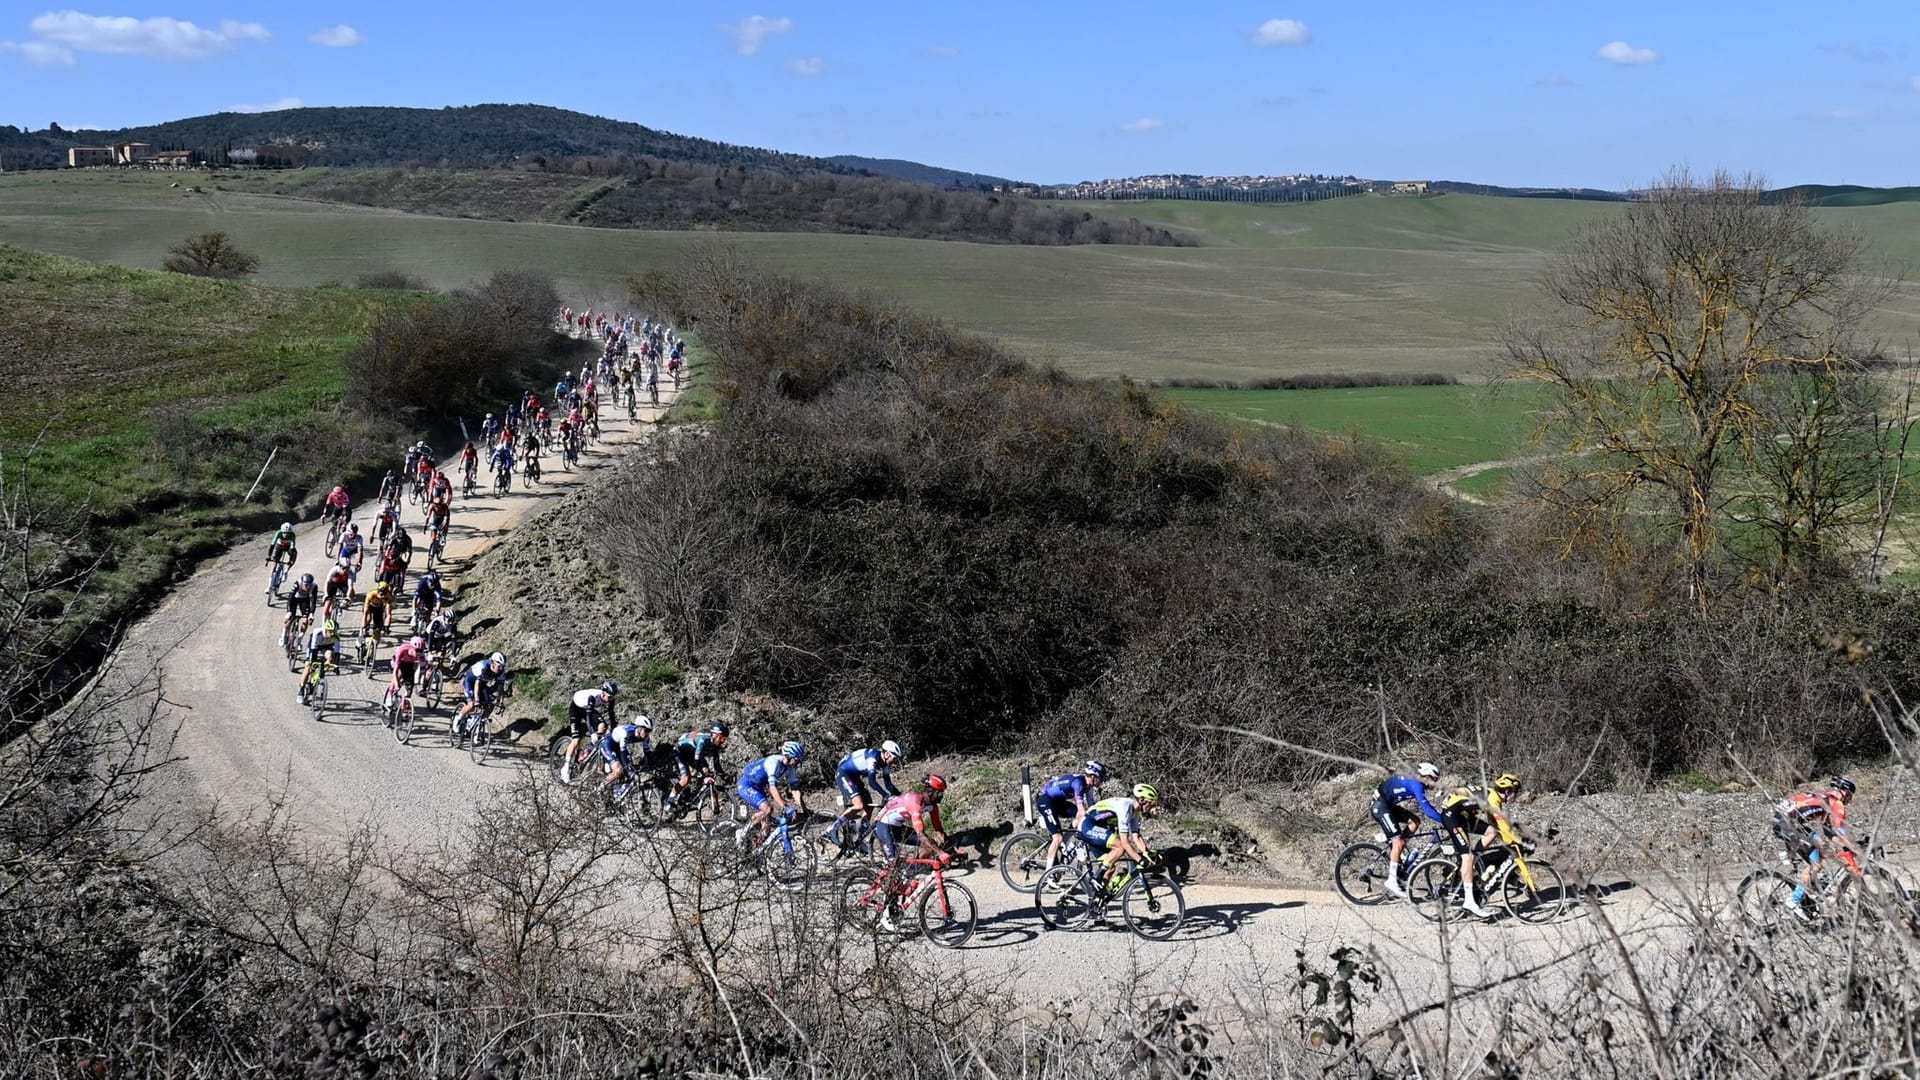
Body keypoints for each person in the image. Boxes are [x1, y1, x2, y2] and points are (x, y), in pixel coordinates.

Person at [1440, 773, 1522, 918]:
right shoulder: (1493, 799)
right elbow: (1503, 825)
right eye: (1515, 793)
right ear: (1508, 791)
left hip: (1461, 814)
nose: (1516, 796)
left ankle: (1475, 861)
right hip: (1452, 816)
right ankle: (1469, 902)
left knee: (1491, 832)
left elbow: (1495, 825)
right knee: (1467, 857)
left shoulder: (1492, 797)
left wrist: (1509, 839)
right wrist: (1517, 841)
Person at [1775, 775, 1859, 918]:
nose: (1850, 800)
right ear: (1845, 792)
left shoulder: (1825, 799)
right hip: (1788, 825)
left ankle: (1810, 887)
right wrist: (1855, 847)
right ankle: (1794, 900)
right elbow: (1840, 830)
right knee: (1816, 862)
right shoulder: (1835, 802)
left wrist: (1845, 846)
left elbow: (1828, 831)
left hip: (1784, 822)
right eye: (1850, 795)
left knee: (1824, 851)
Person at [1372, 762, 1445, 897]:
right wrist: (1445, 821)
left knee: (1414, 822)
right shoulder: (1417, 785)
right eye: (1434, 779)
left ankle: (1398, 848)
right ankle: (1392, 881)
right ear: (1427, 776)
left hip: (1388, 805)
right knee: (1398, 842)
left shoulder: (1417, 781)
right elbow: (1428, 811)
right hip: (1380, 806)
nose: (1435, 783)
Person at [1079, 783, 1163, 891]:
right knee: (1120, 847)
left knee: (1110, 868)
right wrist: (1139, 860)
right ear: (1142, 800)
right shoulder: (1125, 808)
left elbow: (1136, 836)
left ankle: (1098, 897)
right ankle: (1097, 876)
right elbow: (1124, 842)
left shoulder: (1135, 812)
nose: (1153, 807)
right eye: (1151, 803)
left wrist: (1147, 853)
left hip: (1100, 829)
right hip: (1088, 825)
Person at [823, 741, 903, 853]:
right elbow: (872, 782)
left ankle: (860, 841)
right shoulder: (873, 758)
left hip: (854, 776)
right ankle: (831, 830)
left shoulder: (885, 763)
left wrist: (899, 796)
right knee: (859, 805)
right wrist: (885, 796)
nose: (895, 762)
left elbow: (888, 784)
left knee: (869, 807)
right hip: (843, 773)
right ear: (887, 754)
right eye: (895, 759)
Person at [734, 740, 807, 847]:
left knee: (766, 827)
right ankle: (743, 832)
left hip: (758, 787)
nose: (798, 763)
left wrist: (805, 810)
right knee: (768, 809)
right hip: (746, 784)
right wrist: (785, 807)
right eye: (797, 760)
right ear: (787, 756)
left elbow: (795, 790)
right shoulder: (774, 762)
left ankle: (757, 849)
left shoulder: (791, 767)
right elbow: (773, 789)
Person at [1039, 761, 1108, 870]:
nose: (1102, 781)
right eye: (1101, 778)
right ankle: (1048, 874)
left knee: (1080, 815)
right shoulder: (1079, 784)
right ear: (1094, 776)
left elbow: (1092, 807)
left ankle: (1064, 842)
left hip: (1058, 803)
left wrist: (1102, 817)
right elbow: (1081, 809)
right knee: (1057, 837)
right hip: (1046, 801)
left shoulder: (1088, 786)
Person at [560, 680, 621, 783]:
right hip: (576, 708)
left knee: (603, 726)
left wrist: (614, 730)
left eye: (612, 698)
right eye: (609, 697)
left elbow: (611, 715)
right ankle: (565, 768)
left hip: (588, 709)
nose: (610, 700)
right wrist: (592, 733)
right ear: (603, 692)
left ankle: (588, 751)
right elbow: (588, 717)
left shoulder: (610, 700)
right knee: (576, 740)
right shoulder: (593, 697)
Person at [668, 722, 729, 810]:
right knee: (686, 778)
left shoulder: (716, 745)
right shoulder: (703, 740)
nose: (722, 742)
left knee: (707, 773)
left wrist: (724, 776)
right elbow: (696, 761)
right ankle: (669, 802)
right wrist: (704, 775)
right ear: (715, 735)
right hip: (680, 751)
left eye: (724, 739)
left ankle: (692, 798)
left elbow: (717, 765)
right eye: (721, 738)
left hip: (693, 753)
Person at [453, 652, 509, 736]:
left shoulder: (501, 672)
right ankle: (458, 718)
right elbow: (477, 685)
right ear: (493, 663)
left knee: (490, 705)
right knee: (471, 705)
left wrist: (500, 702)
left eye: (502, 666)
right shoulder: (484, 667)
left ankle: (478, 722)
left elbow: (500, 688)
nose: (500, 668)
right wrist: (477, 700)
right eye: (499, 666)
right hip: (470, 682)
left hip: (482, 684)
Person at [600, 714, 653, 793]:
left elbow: (647, 753)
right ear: (639, 728)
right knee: (619, 770)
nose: (647, 734)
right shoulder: (626, 733)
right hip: (608, 745)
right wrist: (630, 771)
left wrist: (652, 766)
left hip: (618, 747)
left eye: (649, 731)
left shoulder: (645, 737)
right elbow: (623, 752)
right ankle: (600, 787)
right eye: (646, 731)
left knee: (629, 769)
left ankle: (616, 792)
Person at [298, 618, 342, 702]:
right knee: (308, 667)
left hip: (326, 647)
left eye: (334, 631)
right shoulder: (317, 632)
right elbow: (313, 650)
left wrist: (336, 666)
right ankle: (301, 689)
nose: (332, 633)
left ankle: (321, 675)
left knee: (331, 657)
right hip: (314, 646)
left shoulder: (336, 637)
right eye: (330, 631)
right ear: (326, 629)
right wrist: (312, 663)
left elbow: (337, 652)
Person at [386, 635, 425, 709]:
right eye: (417, 650)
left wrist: (422, 683)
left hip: (409, 663)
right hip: (399, 660)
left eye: (421, 650)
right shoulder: (402, 650)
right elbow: (395, 671)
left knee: (410, 685)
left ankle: (405, 703)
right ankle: (390, 693)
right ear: (411, 647)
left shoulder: (421, 656)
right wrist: (397, 684)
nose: (419, 653)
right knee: (399, 674)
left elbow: (422, 671)